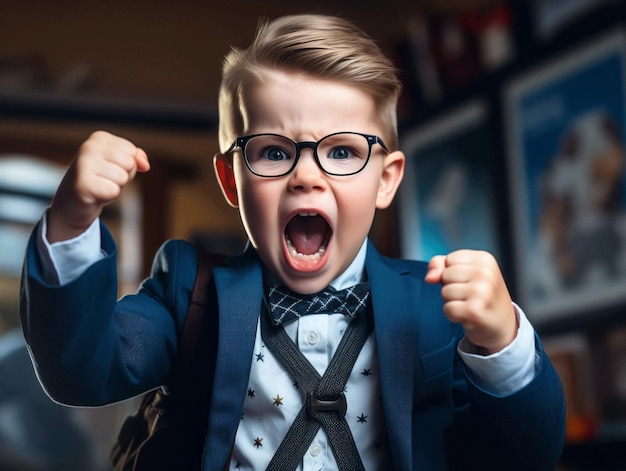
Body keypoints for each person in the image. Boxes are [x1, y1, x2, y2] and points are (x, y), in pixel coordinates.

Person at [20, 14, 565, 471]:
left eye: (344, 152)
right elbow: (80, 373)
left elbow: (528, 455)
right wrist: (71, 225)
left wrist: (501, 342)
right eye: (275, 152)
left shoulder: (434, 304)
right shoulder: (188, 289)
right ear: (232, 180)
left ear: (387, 179)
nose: (307, 176)